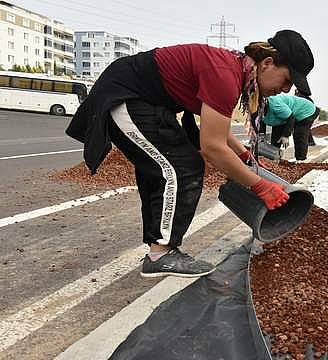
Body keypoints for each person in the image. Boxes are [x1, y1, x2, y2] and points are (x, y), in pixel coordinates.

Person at [66, 30, 314, 277]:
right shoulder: (224, 74)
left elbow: (218, 128)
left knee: (167, 169)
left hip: (148, 102)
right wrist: (261, 186)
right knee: (182, 168)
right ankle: (161, 254)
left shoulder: (235, 70)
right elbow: (212, 147)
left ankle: (158, 248)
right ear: (268, 63)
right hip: (127, 96)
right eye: (287, 80)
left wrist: (242, 154)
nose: (285, 89)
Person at [263, 95, 320, 162]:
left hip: (306, 111)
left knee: (299, 134)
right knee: (276, 138)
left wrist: (286, 135)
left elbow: (290, 118)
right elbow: (276, 129)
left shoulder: (275, 105)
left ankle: (301, 160)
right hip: (287, 117)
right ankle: (274, 157)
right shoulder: (258, 113)